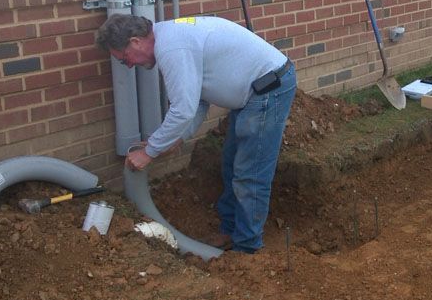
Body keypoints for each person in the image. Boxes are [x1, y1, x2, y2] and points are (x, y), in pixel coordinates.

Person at [95, 14, 296, 254]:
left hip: (268, 91)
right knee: (232, 166)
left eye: (124, 58)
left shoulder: (172, 48)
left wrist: (149, 152)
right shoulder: (170, 40)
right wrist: (178, 137)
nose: (128, 65)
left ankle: (248, 250)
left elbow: (183, 109)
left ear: (136, 41)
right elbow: (199, 100)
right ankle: (230, 231)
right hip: (254, 93)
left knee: (249, 173)